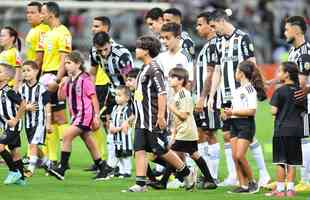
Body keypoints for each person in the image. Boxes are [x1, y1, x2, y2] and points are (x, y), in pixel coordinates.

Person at [207, 9, 270, 187]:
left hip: (241, 96)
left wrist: (255, 88)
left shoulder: (243, 38)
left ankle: (263, 174)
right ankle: (236, 176)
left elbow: (253, 64)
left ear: (221, 21)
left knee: (247, 134)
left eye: (213, 26)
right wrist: (212, 95)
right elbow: (218, 70)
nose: (213, 30)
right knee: (228, 135)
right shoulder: (217, 42)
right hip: (224, 96)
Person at [124, 35, 195, 192]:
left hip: (153, 118)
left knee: (160, 149)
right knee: (139, 149)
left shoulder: (155, 69)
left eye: (138, 47)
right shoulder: (143, 68)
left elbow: (162, 93)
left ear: (147, 51)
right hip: (141, 119)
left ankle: (186, 172)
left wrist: (161, 116)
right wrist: (135, 114)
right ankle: (141, 184)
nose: (135, 50)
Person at [149, 67, 217, 190]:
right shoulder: (177, 95)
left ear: (181, 80)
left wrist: (170, 107)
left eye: (173, 77)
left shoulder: (183, 94)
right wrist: (174, 133)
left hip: (186, 131)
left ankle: (165, 182)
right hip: (186, 131)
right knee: (194, 155)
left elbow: (184, 115)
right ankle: (209, 179)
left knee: (171, 155)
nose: (169, 79)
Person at [48, 51, 108, 181]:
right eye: (65, 63)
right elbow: (61, 97)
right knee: (89, 141)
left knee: (67, 135)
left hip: (85, 114)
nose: (66, 66)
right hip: (76, 115)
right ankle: (103, 168)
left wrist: (96, 116)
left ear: (78, 64)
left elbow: (94, 98)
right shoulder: (69, 80)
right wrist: (62, 84)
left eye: (69, 63)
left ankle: (62, 168)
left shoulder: (85, 79)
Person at [223, 60, 265, 194]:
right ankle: (243, 185)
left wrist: (233, 112)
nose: (235, 73)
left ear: (241, 74)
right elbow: (236, 109)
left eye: (236, 70)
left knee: (240, 155)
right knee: (235, 157)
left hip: (246, 124)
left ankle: (252, 182)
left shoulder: (249, 89)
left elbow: (251, 111)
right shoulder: (237, 90)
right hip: (234, 124)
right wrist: (227, 114)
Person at [39, 1, 72, 166]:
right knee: (49, 117)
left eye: (42, 12)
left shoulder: (63, 32)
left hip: (55, 75)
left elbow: (64, 59)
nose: (41, 15)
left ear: (51, 14)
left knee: (59, 117)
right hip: (46, 75)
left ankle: (64, 158)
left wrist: (57, 80)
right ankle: (52, 159)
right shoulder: (48, 33)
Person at [266, 62, 306, 197]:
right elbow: (303, 110)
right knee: (292, 161)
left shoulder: (280, 90)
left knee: (281, 161)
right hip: (296, 130)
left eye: (280, 72)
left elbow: (273, 110)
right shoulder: (300, 91)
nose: (278, 74)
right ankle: (290, 189)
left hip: (282, 129)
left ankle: (280, 189)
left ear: (287, 74)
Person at [194, 11, 222, 181]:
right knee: (201, 134)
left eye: (199, 24)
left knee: (209, 133)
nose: (197, 28)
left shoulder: (213, 45)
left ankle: (213, 175)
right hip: (201, 96)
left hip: (209, 98)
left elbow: (211, 74)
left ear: (209, 25)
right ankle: (206, 174)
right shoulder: (207, 45)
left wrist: (203, 97)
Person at [285, 15, 310, 192]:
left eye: (286, 29)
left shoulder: (306, 51)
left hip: (305, 104)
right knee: (296, 139)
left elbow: (301, 83)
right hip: (296, 103)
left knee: (304, 139)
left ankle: (306, 180)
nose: (284, 32)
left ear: (296, 30)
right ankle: (292, 179)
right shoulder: (293, 52)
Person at [24, 0, 50, 168]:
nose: (29, 15)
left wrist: (33, 77)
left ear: (42, 15)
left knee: (48, 119)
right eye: (27, 12)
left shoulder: (42, 31)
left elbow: (38, 58)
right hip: (30, 78)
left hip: (37, 79)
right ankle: (45, 159)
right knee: (30, 125)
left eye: (33, 12)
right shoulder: (33, 30)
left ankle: (47, 158)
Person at [85, 16, 113, 172]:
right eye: (92, 25)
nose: (93, 28)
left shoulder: (112, 47)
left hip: (108, 87)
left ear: (106, 28)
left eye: (96, 26)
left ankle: (112, 160)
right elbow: (93, 70)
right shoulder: (93, 48)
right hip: (98, 87)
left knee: (110, 124)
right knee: (97, 123)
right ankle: (100, 159)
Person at [20, 60, 52, 177]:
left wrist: (48, 123)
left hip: (40, 122)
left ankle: (30, 169)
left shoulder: (42, 88)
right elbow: (19, 105)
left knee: (33, 144)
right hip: (28, 123)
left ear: (36, 72)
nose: (26, 73)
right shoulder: (21, 89)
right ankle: (48, 163)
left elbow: (47, 105)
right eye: (23, 71)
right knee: (34, 145)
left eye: (28, 70)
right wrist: (25, 107)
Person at [0, 63, 26, 185]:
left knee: (0, 147)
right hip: (5, 126)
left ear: (6, 77)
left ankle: (14, 171)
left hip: (13, 126)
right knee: (14, 151)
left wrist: (15, 119)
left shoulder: (8, 91)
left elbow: (23, 103)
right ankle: (21, 179)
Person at [109, 86, 133, 178]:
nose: (116, 97)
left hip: (124, 137)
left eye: (119, 95)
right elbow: (111, 119)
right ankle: (121, 170)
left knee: (125, 154)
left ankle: (127, 171)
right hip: (116, 136)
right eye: (116, 95)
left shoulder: (128, 109)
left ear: (127, 98)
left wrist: (119, 128)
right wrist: (111, 126)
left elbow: (132, 118)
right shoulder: (115, 108)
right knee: (118, 153)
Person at [0, 26, 22, 91]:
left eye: (3, 36)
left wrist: (15, 89)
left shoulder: (14, 52)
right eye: (0, 36)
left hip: (9, 89)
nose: (0, 38)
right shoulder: (4, 52)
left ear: (12, 38)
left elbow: (18, 72)